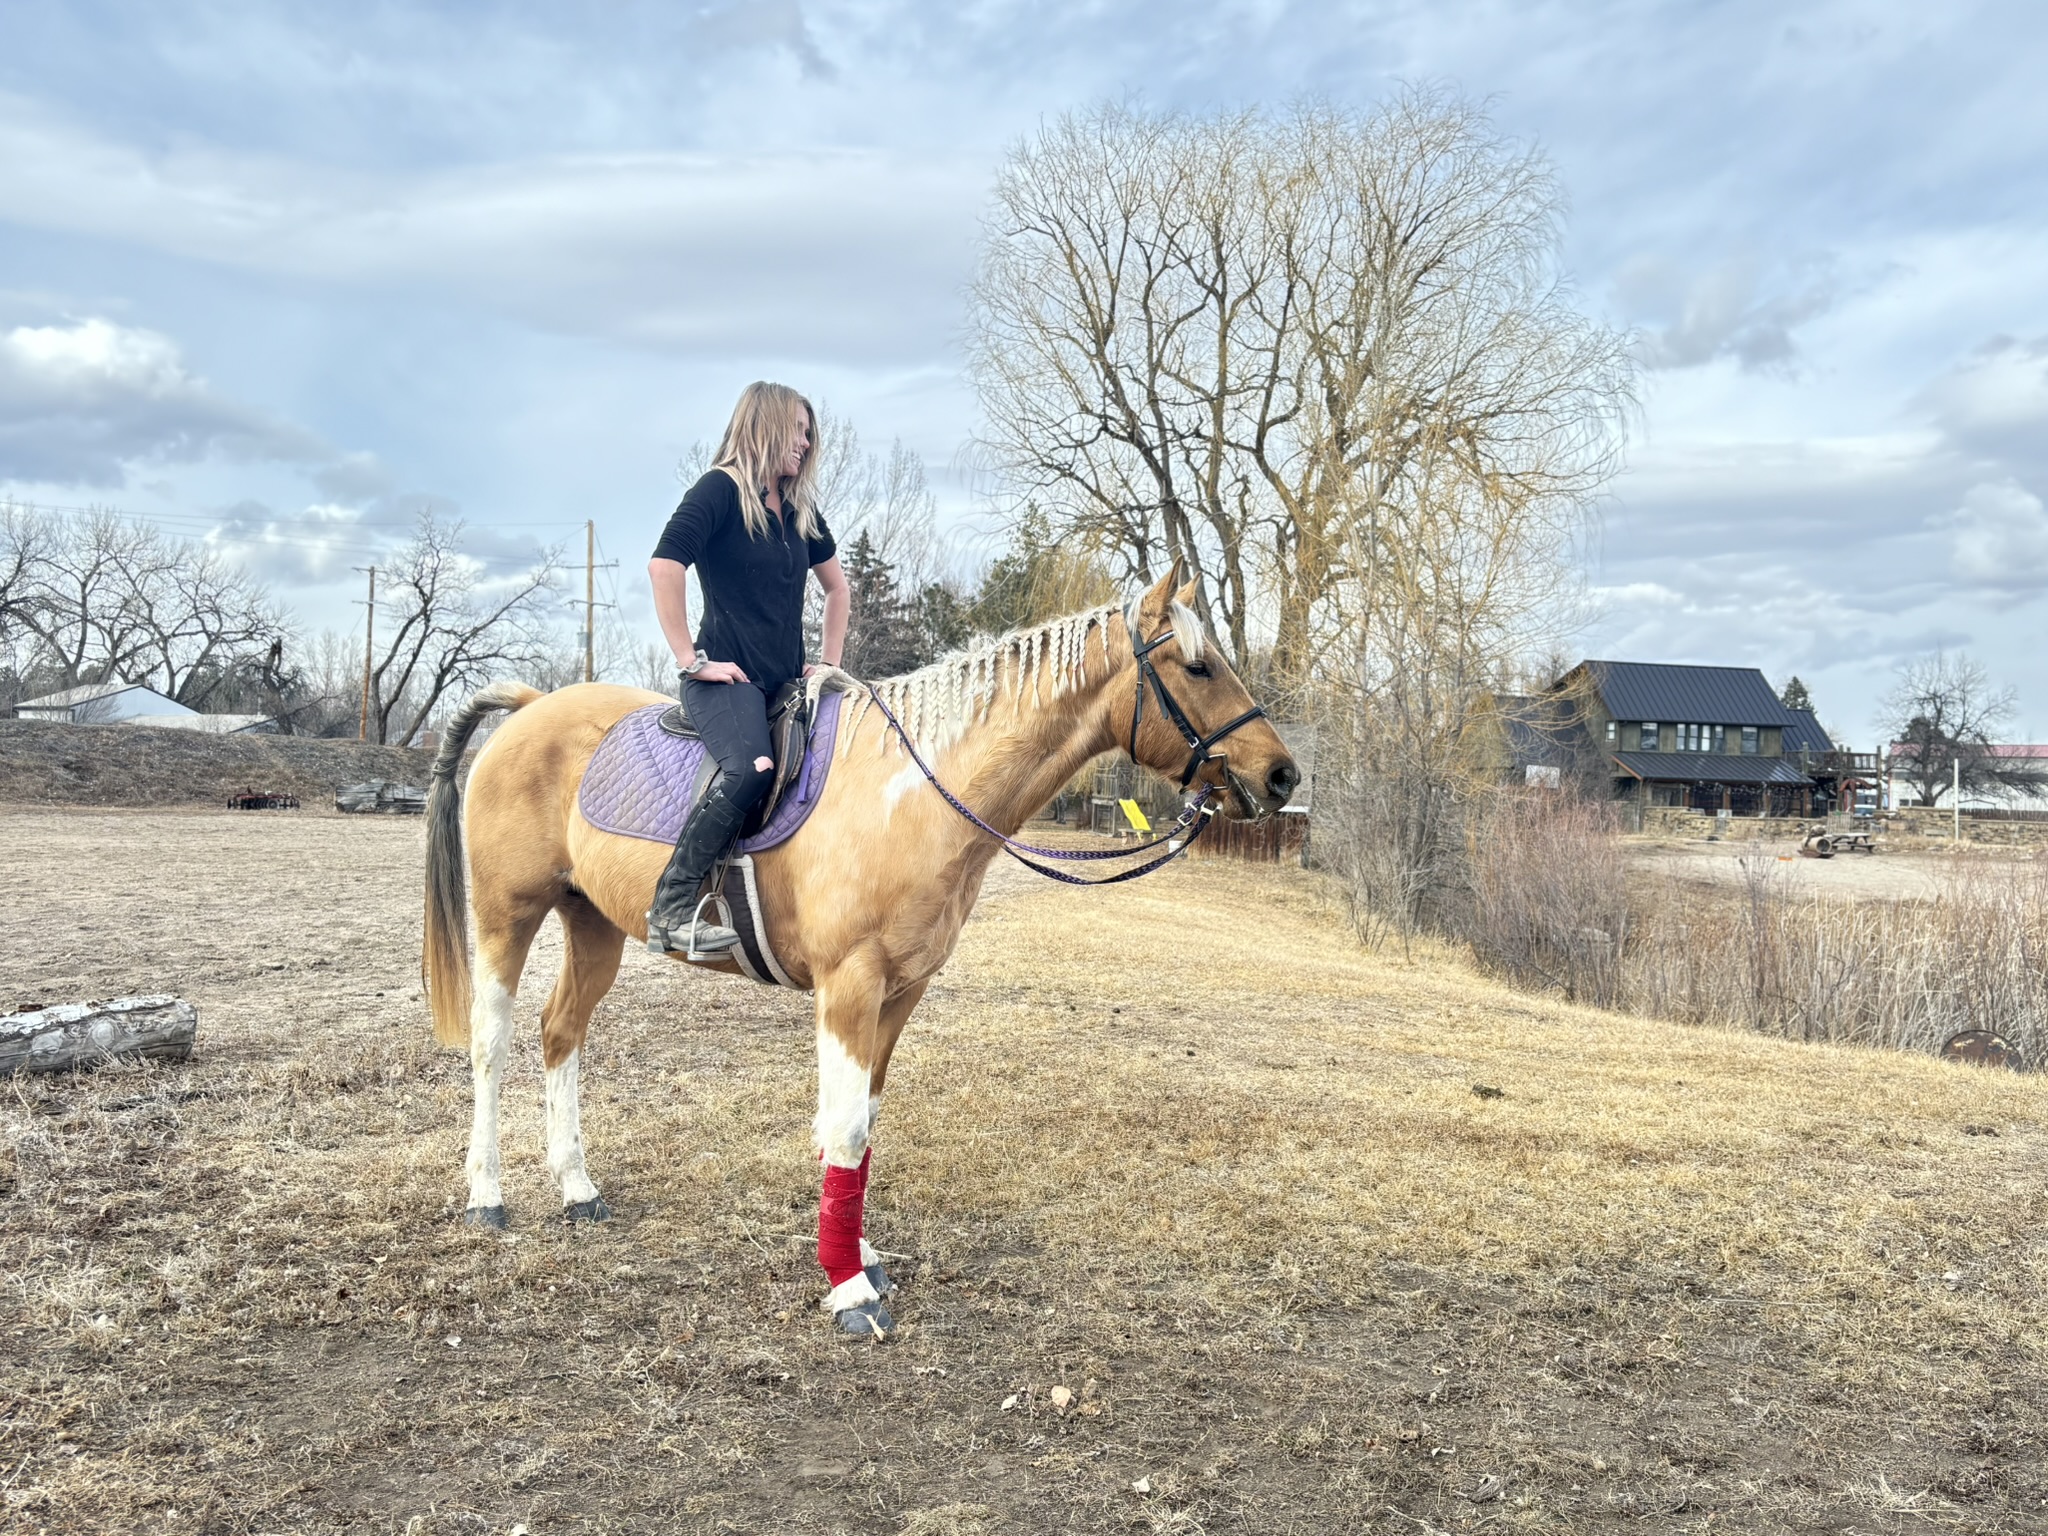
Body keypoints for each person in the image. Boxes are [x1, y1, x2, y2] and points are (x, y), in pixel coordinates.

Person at [645, 382, 849, 954]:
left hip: (786, 683)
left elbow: (837, 589)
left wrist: (828, 663)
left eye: (809, 434)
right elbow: (664, 567)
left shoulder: (800, 510)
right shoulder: (719, 489)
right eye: (798, 430)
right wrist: (692, 660)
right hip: (729, 682)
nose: (806, 443)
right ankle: (671, 907)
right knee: (751, 770)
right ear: (766, 424)